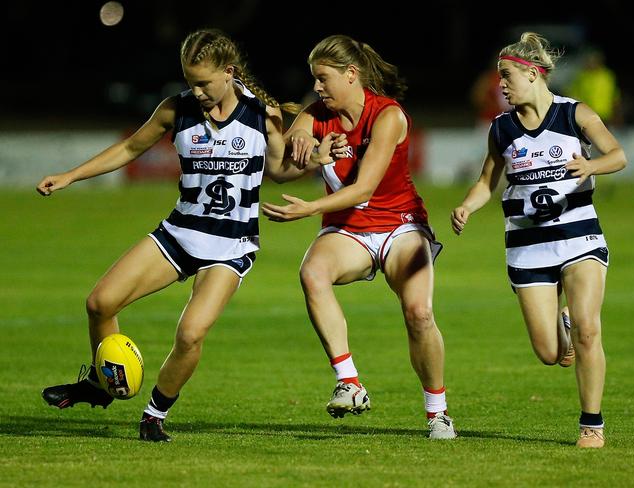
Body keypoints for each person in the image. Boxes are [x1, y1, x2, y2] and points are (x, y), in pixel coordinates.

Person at [36, 28, 313, 442]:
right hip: (179, 234)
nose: (196, 91)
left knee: (190, 333)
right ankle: (101, 383)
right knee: (99, 303)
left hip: (230, 246)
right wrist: (71, 176)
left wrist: (314, 162)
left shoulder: (263, 114)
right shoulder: (176, 109)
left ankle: (153, 416)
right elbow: (130, 148)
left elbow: (277, 170)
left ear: (229, 73)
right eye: (190, 81)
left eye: (203, 82)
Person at [262, 35, 457, 439]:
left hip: (401, 225)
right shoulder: (316, 115)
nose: (317, 87)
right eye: (314, 79)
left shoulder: (388, 116)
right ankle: (349, 382)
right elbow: (280, 168)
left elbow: (365, 188)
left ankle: (437, 413)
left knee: (419, 313)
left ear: (351, 75)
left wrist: (310, 208)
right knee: (312, 273)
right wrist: (292, 140)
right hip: (349, 230)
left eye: (323, 78)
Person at [450, 32, 627, 448]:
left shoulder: (575, 115)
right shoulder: (502, 128)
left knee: (588, 332)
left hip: (580, 237)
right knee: (549, 352)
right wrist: (467, 206)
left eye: (507, 77)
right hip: (528, 247)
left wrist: (591, 165)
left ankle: (592, 425)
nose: (501, 86)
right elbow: (485, 182)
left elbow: (617, 155)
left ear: (533, 74)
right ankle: (561, 325)